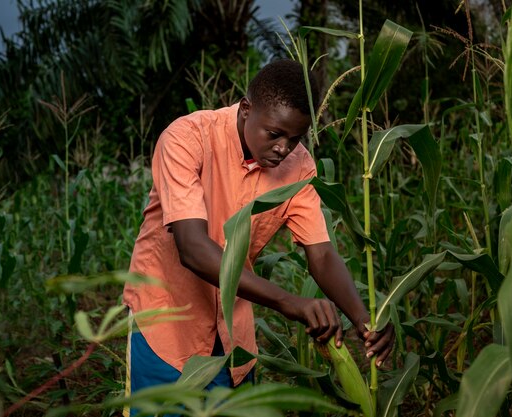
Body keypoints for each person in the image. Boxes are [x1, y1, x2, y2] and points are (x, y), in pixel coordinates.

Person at [122, 59, 394, 413]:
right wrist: (289, 302)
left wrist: (363, 320)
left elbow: (322, 254)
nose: (284, 148)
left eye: (295, 138)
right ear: (247, 109)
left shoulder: (299, 165)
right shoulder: (186, 138)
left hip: (232, 337)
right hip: (164, 326)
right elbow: (191, 247)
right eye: (275, 134)